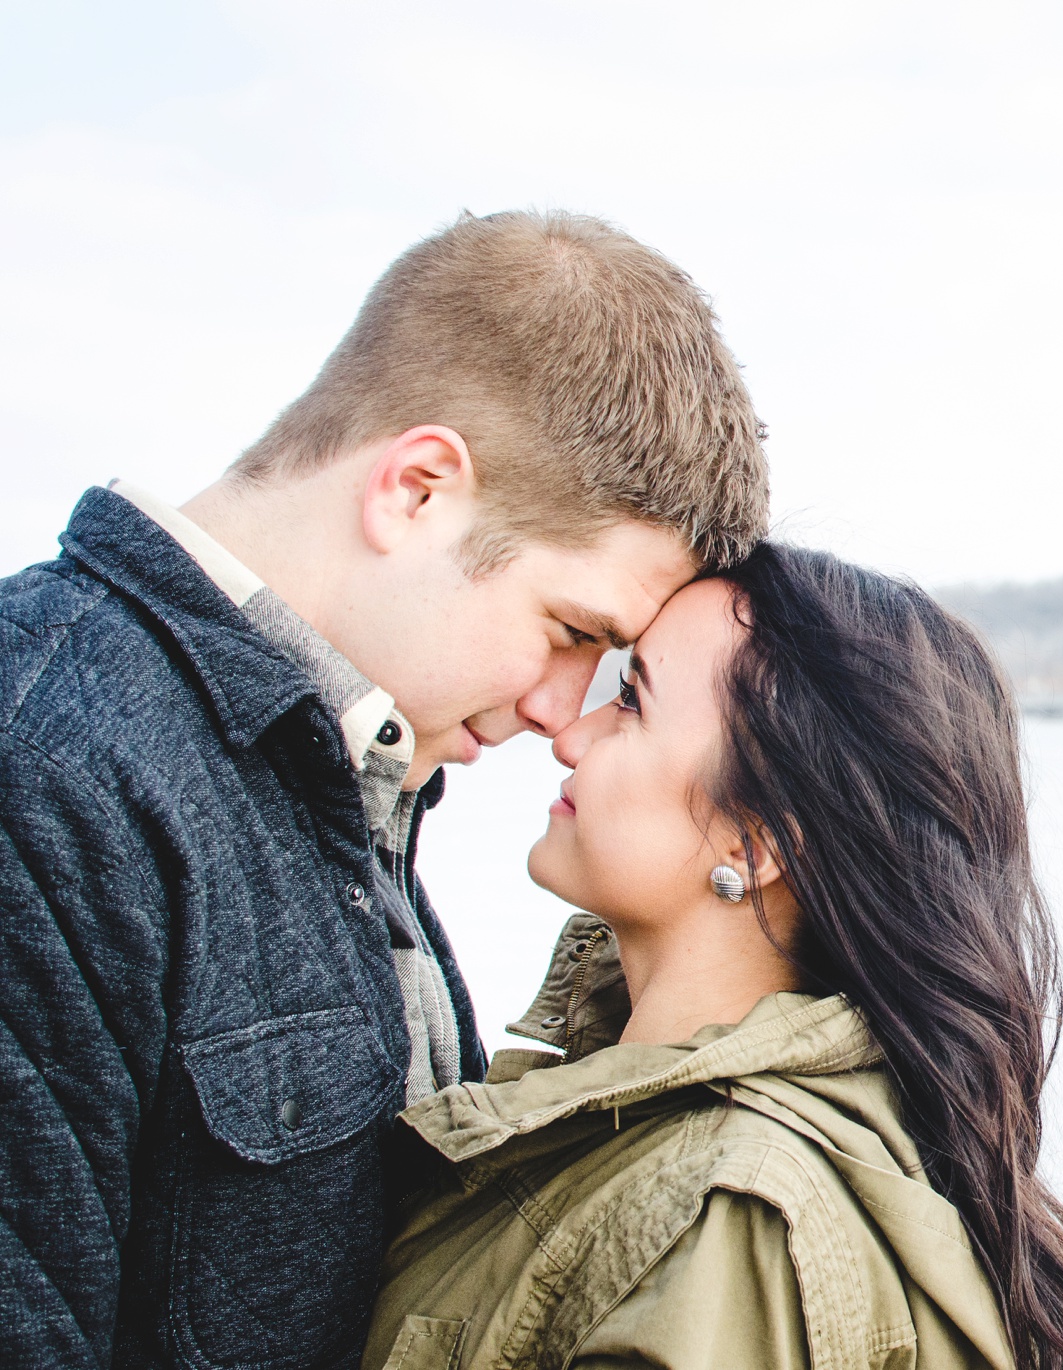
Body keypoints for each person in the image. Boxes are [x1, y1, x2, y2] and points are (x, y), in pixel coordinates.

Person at [0, 210, 768, 1370]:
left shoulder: (341, 775)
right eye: (569, 630)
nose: (564, 711)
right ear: (416, 488)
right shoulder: (43, 766)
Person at [365, 544, 1063, 1369]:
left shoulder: (728, 1224)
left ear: (757, 843)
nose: (568, 736)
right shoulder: (691, 1146)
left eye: (631, 701)